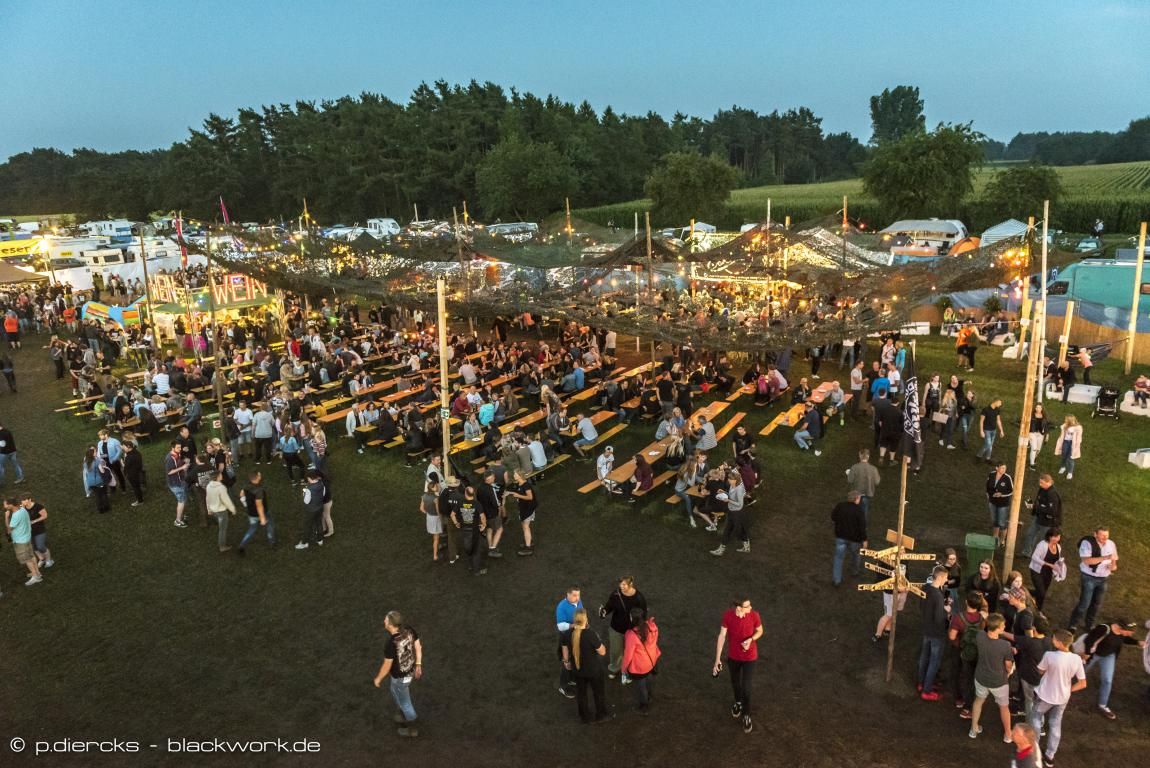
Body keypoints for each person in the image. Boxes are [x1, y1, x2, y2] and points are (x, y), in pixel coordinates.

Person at [1029, 629, 1087, 766]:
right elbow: (1082, 683)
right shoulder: (1076, 659)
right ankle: (1050, 756)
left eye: (1054, 639)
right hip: (1062, 698)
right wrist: (1068, 690)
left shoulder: (1049, 655)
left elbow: (1040, 671)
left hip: (1045, 696)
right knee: (1055, 724)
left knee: (1036, 718)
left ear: (1060, 642)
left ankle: (1034, 750)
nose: (1052, 640)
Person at [713, 596, 762, 734]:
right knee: (735, 683)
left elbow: (760, 630)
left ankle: (746, 714)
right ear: (739, 608)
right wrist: (717, 660)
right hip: (734, 657)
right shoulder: (728, 616)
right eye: (747, 606)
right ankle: (738, 702)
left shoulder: (754, 615)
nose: (751, 608)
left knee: (746, 687)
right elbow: (722, 636)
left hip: (750, 657)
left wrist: (751, 639)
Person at [1081, 618, 1145, 720]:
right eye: (1129, 632)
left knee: (1107, 680)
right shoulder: (1103, 629)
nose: (1130, 634)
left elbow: (1124, 639)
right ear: (1121, 627)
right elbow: (1089, 640)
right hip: (1093, 654)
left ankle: (1103, 705)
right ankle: (1064, 687)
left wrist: (1137, 642)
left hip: (1109, 656)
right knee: (1080, 672)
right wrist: (1087, 653)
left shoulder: (1122, 633)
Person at [373, 610, 423, 738]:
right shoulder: (409, 629)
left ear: (390, 624)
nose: (384, 621)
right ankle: (402, 712)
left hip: (400, 677)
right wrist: (418, 665)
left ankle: (412, 729)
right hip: (409, 671)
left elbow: (387, 666)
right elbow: (418, 647)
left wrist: (378, 678)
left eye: (386, 620)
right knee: (394, 690)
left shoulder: (390, 644)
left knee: (406, 703)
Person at [967, 613, 1014, 743]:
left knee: (978, 701)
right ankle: (1008, 734)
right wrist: (1009, 671)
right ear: (996, 628)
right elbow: (1008, 666)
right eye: (1002, 626)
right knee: (1004, 707)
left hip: (981, 678)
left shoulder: (980, 636)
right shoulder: (1005, 645)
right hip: (999, 682)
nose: (1004, 627)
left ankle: (974, 729)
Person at [561, 609, 610, 724]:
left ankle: (585, 717)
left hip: (577, 670)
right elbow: (603, 652)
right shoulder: (591, 634)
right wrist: (599, 640)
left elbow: (565, 649)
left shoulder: (567, 634)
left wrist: (566, 662)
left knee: (581, 694)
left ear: (574, 620)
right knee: (598, 692)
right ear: (586, 620)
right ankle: (601, 715)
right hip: (593, 670)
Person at [1068, 525, 1118, 632]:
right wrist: (1105, 557)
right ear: (1095, 535)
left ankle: (1089, 625)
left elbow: (1114, 561)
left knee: (1096, 604)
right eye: (1102, 535)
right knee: (1084, 604)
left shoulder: (1111, 544)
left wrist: (1112, 566)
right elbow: (1087, 561)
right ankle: (1073, 625)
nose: (1105, 538)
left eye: (1107, 536)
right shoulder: (1087, 543)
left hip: (1103, 579)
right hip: (1089, 578)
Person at [601, 576, 648, 684]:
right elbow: (609, 607)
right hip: (616, 629)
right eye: (620, 584)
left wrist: (640, 630)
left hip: (632, 632)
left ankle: (629, 671)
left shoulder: (639, 598)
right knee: (615, 651)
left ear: (630, 584)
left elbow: (644, 614)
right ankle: (614, 668)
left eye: (624, 584)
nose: (621, 586)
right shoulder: (616, 594)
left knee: (630, 653)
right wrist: (604, 612)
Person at [916, 565, 951, 701]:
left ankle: (921, 683)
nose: (946, 580)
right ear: (940, 577)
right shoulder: (937, 596)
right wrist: (946, 611)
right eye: (946, 577)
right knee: (934, 661)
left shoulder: (925, 588)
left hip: (926, 628)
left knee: (924, 657)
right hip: (936, 633)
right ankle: (927, 690)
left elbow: (922, 606)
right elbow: (938, 618)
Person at [622, 607, 661, 715]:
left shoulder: (631, 635)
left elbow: (628, 655)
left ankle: (644, 707)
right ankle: (650, 696)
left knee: (641, 686)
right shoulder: (652, 627)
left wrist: (624, 669)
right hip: (652, 661)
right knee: (649, 679)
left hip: (640, 666)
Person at [831, 490, 868, 586]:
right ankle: (854, 571)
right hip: (854, 539)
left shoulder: (840, 506)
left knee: (838, 558)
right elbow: (862, 527)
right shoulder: (859, 510)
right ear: (857, 499)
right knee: (856, 555)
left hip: (840, 537)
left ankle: (836, 579)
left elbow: (833, 517)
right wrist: (864, 540)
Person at [5, 497, 43, 585]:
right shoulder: (22, 509)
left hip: (20, 541)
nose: (4, 506)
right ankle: (37, 573)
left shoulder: (16, 515)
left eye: (5, 504)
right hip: (27, 537)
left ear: (10, 505)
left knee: (27, 559)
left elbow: (9, 530)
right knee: (31, 556)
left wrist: (6, 517)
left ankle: (36, 577)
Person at [710, 471, 749, 556]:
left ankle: (722, 549)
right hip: (731, 511)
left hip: (737, 513)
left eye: (731, 479)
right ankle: (745, 547)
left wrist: (728, 500)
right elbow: (732, 496)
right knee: (732, 530)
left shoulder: (739, 489)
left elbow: (739, 504)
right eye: (729, 478)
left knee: (734, 531)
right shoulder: (732, 485)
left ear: (736, 480)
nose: (728, 480)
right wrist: (724, 492)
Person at [1022, 474, 1062, 557]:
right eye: (1040, 482)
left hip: (1047, 522)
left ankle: (1041, 556)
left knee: (1043, 540)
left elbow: (1052, 511)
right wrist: (1033, 506)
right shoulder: (1042, 489)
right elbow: (1039, 500)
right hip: (1038, 517)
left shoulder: (1052, 495)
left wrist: (1036, 507)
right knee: (1030, 534)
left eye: (1042, 483)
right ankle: (1026, 552)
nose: (1040, 484)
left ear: (1049, 482)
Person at [451, 484, 487, 575]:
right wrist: (484, 525)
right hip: (474, 531)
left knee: (468, 548)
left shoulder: (460, 502)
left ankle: (470, 565)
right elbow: (482, 517)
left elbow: (452, 515)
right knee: (476, 551)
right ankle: (476, 571)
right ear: (473, 494)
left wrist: (456, 523)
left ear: (465, 493)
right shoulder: (477, 504)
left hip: (464, 530)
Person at [237, 471, 275, 555]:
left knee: (252, 529)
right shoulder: (258, 490)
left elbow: (241, 494)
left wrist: (244, 503)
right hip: (262, 513)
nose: (260, 475)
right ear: (257, 477)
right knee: (270, 526)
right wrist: (262, 518)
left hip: (251, 513)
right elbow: (259, 505)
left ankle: (242, 545)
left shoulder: (247, 485)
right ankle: (272, 542)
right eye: (259, 474)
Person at [555, 588, 583, 699]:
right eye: (575, 595)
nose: (577, 598)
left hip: (576, 635)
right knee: (566, 661)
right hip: (566, 637)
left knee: (574, 658)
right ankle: (563, 686)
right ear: (568, 594)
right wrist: (574, 625)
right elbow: (560, 626)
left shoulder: (578, 602)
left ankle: (571, 679)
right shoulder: (561, 606)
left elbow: (582, 613)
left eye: (578, 595)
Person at [1028, 527, 1064, 611]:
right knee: (1041, 593)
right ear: (1049, 537)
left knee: (1042, 592)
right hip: (1037, 571)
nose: (1057, 539)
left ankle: (1027, 592)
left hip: (1048, 573)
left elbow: (1056, 560)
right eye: (1054, 537)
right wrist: (1049, 564)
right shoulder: (1042, 545)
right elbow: (1034, 557)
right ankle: (1038, 610)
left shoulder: (1058, 547)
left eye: (1058, 537)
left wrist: (1059, 565)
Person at [505, 469, 537, 556]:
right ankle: (528, 541)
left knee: (526, 527)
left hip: (528, 509)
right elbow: (518, 491)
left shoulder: (526, 485)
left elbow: (530, 497)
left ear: (520, 476)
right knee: (524, 526)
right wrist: (510, 492)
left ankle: (528, 548)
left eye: (515, 474)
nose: (514, 476)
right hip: (523, 508)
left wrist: (518, 495)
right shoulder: (520, 484)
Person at [294, 470, 326, 551]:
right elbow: (323, 494)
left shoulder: (309, 489)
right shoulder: (322, 484)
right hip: (320, 507)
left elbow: (306, 501)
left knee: (307, 526)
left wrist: (304, 493)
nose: (308, 480)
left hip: (311, 510)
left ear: (311, 479)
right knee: (319, 523)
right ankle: (320, 540)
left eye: (308, 479)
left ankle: (304, 543)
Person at [985, 462, 1014, 547]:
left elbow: (1011, 491)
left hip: (1003, 504)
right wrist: (988, 494)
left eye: (1005, 468)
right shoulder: (991, 474)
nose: (1004, 470)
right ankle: (995, 537)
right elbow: (987, 486)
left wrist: (1001, 494)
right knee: (994, 520)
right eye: (1002, 468)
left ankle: (1002, 540)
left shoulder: (1007, 478)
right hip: (992, 502)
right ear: (997, 468)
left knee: (1002, 523)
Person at [164, 440, 190, 527]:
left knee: (184, 499)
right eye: (178, 448)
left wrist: (184, 462)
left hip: (181, 481)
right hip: (175, 484)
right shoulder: (170, 459)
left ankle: (183, 514)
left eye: (180, 447)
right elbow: (169, 472)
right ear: (172, 448)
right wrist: (182, 467)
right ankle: (177, 521)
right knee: (181, 501)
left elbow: (179, 464)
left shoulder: (177, 454)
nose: (180, 449)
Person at [1054, 415, 1082, 480]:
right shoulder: (1065, 426)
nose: (1065, 421)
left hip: (1073, 444)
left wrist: (1077, 445)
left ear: (1070, 421)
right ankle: (1063, 467)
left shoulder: (1078, 428)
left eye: (1066, 420)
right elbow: (1062, 435)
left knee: (1071, 458)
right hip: (1065, 442)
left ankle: (1070, 472)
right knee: (1064, 455)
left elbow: (1079, 438)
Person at [420, 479, 442, 562]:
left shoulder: (424, 496)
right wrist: (441, 518)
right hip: (435, 518)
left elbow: (421, 509)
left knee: (434, 536)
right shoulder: (436, 498)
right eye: (435, 486)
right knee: (436, 538)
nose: (437, 487)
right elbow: (438, 512)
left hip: (429, 517)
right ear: (432, 488)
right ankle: (435, 555)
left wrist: (428, 513)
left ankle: (437, 547)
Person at [0, 420, 26, 486]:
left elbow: (2, 445)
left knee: (0, 467)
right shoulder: (7, 431)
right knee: (16, 465)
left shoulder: (1, 434)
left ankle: (1, 482)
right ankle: (20, 478)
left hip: (4, 453)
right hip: (13, 451)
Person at [122, 440, 145, 506]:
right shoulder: (137, 452)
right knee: (137, 487)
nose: (123, 448)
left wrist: (122, 463)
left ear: (128, 446)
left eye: (124, 447)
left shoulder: (129, 457)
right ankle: (140, 497)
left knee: (135, 487)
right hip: (137, 472)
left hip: (132, 475)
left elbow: (126, 466)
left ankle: (140, 501)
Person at [1025, 403, 1048, 469]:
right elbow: (1026, 424)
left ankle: (1033, 458)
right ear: (1035, 408)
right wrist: (1027, 436)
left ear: (1042, 408)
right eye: (1037, 407)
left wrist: (1047, 436)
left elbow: (1046, 427)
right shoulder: (1031, 415)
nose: (1038, 409)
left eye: (1039, 408)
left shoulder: (1044, 416)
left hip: (1040, 434)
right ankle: (1032, 464)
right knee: (1034, 448)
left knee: (1038, 450)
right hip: (1032, 433)